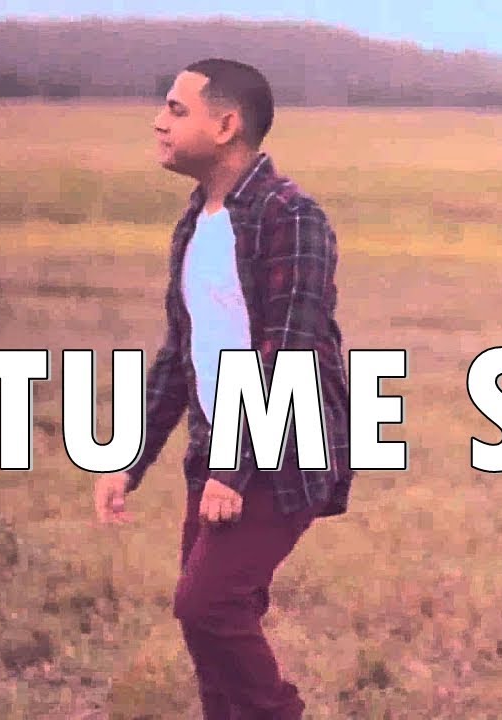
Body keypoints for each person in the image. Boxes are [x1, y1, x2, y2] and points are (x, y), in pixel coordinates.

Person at [92, 58, 353, 720]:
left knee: (208, 606)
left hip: (283, 447)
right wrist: (129, 460)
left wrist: (234, 471)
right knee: (211, 627)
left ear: (227, 125)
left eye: (176, 110)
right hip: (218, 448)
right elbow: (178, 356)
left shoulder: (291, 216)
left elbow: (290, 349)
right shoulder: (196, 221)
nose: (158, 122)